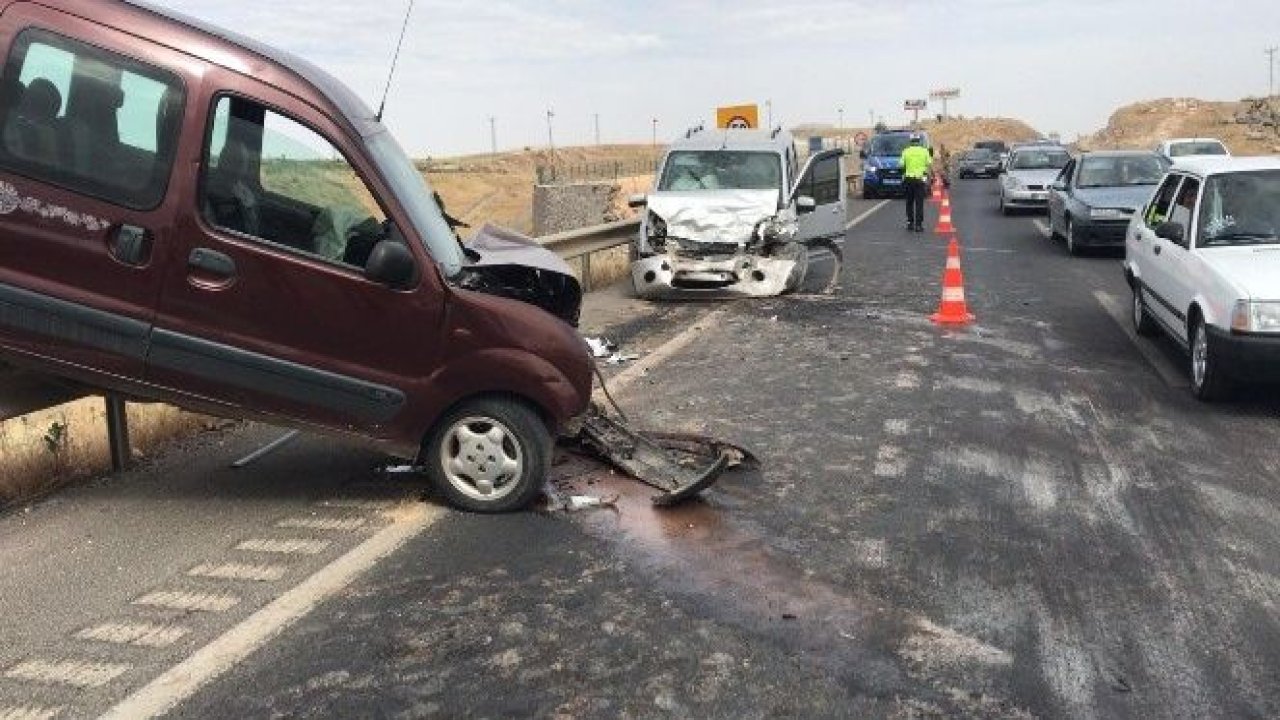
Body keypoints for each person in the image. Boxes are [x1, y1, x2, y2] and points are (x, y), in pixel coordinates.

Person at [900, 133, 932, 232]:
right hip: (920, 179)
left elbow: (901, 164)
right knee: (919, 203)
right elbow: (929, 163)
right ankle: (918, 225)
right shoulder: (924, 151)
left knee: (909, 202)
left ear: (910, 141)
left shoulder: (905, 151)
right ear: (919, 141)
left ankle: (910, 223)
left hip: (909, 179)